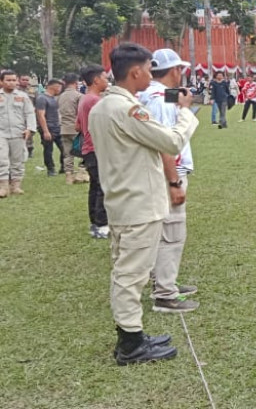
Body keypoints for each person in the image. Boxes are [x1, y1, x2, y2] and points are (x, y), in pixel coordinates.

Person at [87, 42, 198, 365]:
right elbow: (171, 141)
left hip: (123, 199)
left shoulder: (103, 107)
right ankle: (131, 343)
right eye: (149, 69)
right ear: (135, 71)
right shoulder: (126, 109)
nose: (150, 75)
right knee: (131, 275)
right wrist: (185, 111)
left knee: (128, 271)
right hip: (138, 202)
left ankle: (132, 334)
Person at [139, 49, 199, 314]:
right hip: (168, 173)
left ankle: (161, 281)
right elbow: (164, 144)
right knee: (172, 233)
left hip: (157, 173)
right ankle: (165, 293)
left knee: (161, 231)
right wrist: (174, 182)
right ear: (175, 70)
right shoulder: (160, 100)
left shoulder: (151, 95)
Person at [76, 64, 110, 238]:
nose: (107, 80)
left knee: (95, 186)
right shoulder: (95, 100)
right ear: (96, 80)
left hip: (88, 147)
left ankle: (95, 223)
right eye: (104, 77)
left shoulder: (84, 98)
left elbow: (77, 125)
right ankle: (102, 224)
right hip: (97, 148)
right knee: (103, 187)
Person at [0, 70, 35, 198]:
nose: (11, 83)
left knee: (18, 160)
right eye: (8, 80)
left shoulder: (23, 96)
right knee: (2, 159)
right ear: (1, 81)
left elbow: (30, 113)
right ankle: (3, 186)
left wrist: (30, 129)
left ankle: (16, 185)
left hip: (18, 132)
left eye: (14, 80)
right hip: (1, 133)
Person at [58, 73, 88, 184]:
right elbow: (82, 113)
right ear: (76, 83)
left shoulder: (60, 96)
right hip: (77, 128)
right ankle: (82, 173)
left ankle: (69, 176)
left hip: (64, 128)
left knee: (67, 154)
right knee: (84, 151)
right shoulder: (79, 96)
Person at [35, 79, 64, 178]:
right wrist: (45, 131)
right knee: (48, 150)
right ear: (54, 86)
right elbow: (40, 115)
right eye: (59, 87)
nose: (60, 89)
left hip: (57, 127)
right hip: (48, 127)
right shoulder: (42, 98)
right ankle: (50, 169)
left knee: (65, 149)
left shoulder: (53, 98)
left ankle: (63, 167)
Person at [18, 74, 36, 159]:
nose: (25, 81)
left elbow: (37, 100)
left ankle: (30, 149)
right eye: (23, 80)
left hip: (29, 114)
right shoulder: (15, 90)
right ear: (19, 80)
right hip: (18, 114)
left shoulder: (32, 90)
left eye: (27, 80)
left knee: (30, 132)